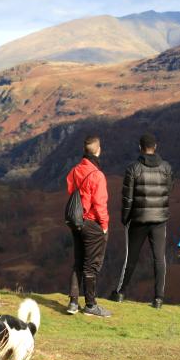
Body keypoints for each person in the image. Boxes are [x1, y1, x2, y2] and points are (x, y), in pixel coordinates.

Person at [111, 133, 173, 309]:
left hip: (138, 219)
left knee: (131, 257)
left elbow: (127, 198)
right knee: (159, 258)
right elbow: (168, 190)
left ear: (140, 147)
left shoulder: (133, 168)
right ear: (156, 146)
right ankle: (159, 298)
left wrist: (125, 218)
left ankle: (121, 293)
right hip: (159, 220)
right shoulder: (166, 168)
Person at [66, 135, 111, 317]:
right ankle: (91, 305)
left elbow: (70, 189)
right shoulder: (97, 175)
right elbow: (100, 203)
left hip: (76, 220)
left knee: (78, 261)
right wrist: (105, 225)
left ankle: (73, 303)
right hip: (92, 223)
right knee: (91, 265)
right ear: (98, 151)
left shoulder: (75, 170)